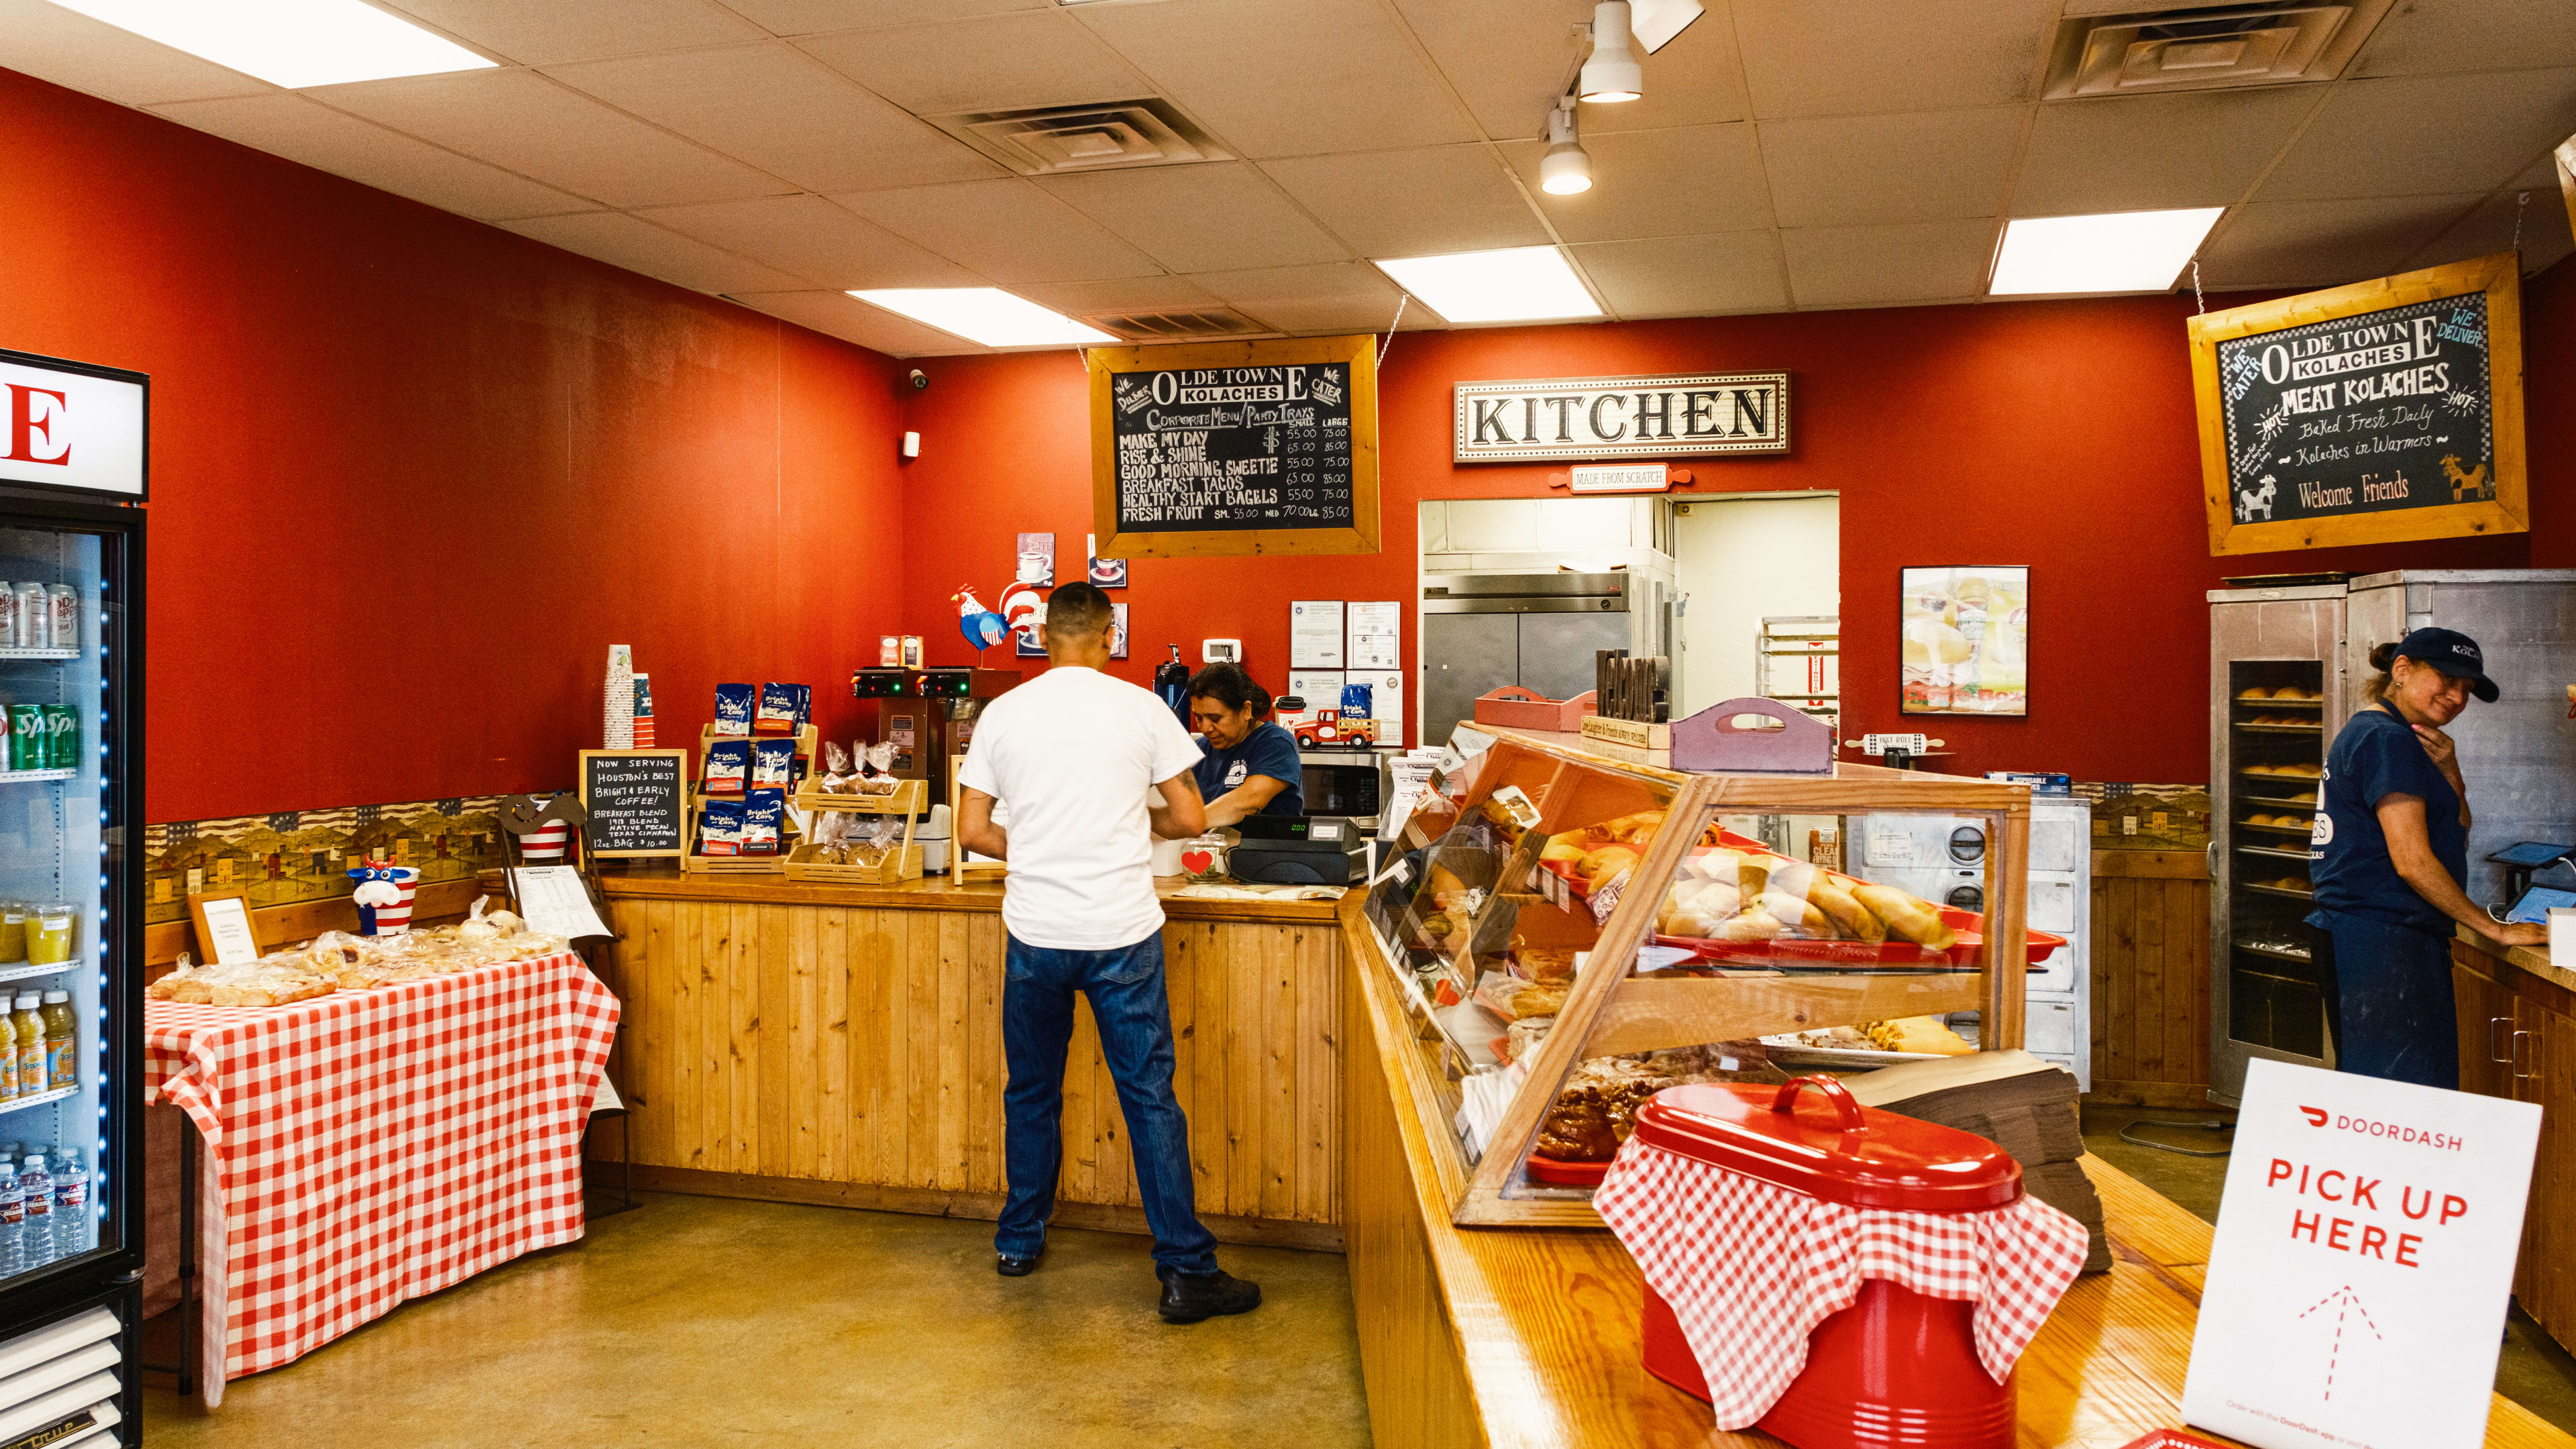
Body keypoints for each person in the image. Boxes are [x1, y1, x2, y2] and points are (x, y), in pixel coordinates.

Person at [955, 582, 1262, 1323]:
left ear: (1044, 636)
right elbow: (1190, 818)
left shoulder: (1004, 713)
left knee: (1030, 1090)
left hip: (1036, 932)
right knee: (1149, 1096)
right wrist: (1131, 826)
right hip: (1122, 934)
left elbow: (971, 832)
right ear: (1106, 633)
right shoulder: (1140, 708)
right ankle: (1187, 1272)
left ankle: (1018, 1242)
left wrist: (1038, 844)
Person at [2308, 627, 2544, 1088]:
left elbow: (2457, 831)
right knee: (2401, 1104)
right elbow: (2413, 861)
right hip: (2382, 940)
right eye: (2446, 679)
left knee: (2380, 1099)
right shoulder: (2386, 739)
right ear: (2402, 670)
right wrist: (2493, 927)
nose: (2456, 697)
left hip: (2373, 936)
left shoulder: (2386, 732)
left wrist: (2450, 772)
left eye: (2467, 689)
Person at [1185, 662, 1304, 826]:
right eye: (1199, 718)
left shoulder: (1277, 743)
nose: (1205, 728)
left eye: (1215, 719)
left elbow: (1249, 801)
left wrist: (1187, 823)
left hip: (1269, 850)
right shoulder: (1200, 750)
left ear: (1246, 710)